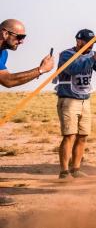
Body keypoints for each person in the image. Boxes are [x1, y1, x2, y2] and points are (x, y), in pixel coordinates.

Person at [0, 19, 54, 206]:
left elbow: (6, 79)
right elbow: (8, 81)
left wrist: (39, 71)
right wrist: (41, 70)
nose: (22, 41)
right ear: (5, 33)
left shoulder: (3, 53)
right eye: (19, 37)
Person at [54, 29, 96, 179]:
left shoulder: (91, 55)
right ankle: (64, 172)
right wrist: (93, 58)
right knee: (69, 135)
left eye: (93, 43)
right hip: (68, 100)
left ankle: (75, 169)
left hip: (85, 100)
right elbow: (73, 69)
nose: (91, 46)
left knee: (83, 136)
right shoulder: (66, 55)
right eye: (88, 42)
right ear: (78, 41)